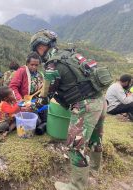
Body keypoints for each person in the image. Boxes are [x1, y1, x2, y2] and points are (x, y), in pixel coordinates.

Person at [30, 29, 109, 190]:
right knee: (95, 137)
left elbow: (46, 95)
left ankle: (77, 186)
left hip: (85, 106)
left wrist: (32, 105)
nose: (38, 53)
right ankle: (94, 170)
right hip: (100, 101)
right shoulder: (70, 54)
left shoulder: (52, 64)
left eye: (37, 49)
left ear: (43, 47)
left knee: (75, 146)